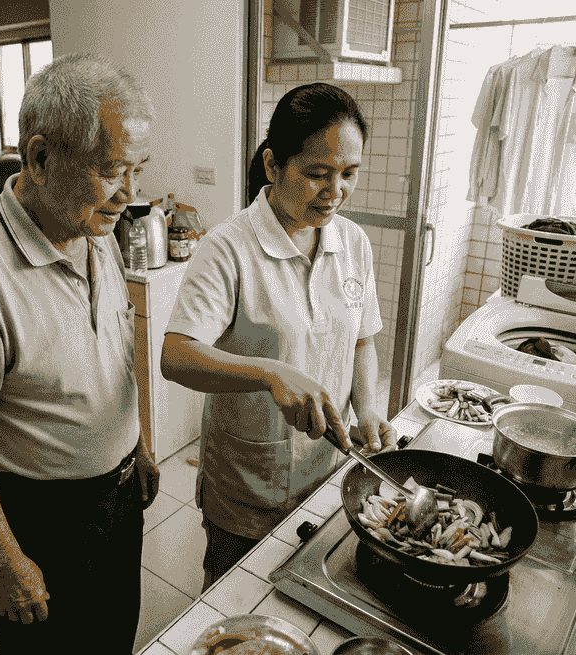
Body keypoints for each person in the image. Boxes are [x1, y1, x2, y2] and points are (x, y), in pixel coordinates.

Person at [0, 53, 158, 653]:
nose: (131, 193)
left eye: (139, 168)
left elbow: (110, 354)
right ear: (41, 157)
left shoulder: (92, 227)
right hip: (43, 523)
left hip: (118, 495)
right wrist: (4, 561)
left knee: (112, 636)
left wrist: (137, 447)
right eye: (113, 169)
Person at [161, 82, 397, 590]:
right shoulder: (228, 248)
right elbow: (176, 356)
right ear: (273, 166)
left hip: (328, 472)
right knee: (234, 608)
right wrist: (270, 373)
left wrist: (369, 408)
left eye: (349, 174)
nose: (335, 190)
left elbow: (361, 340)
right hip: (247, 485)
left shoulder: (352, 242)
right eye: (317, 174)